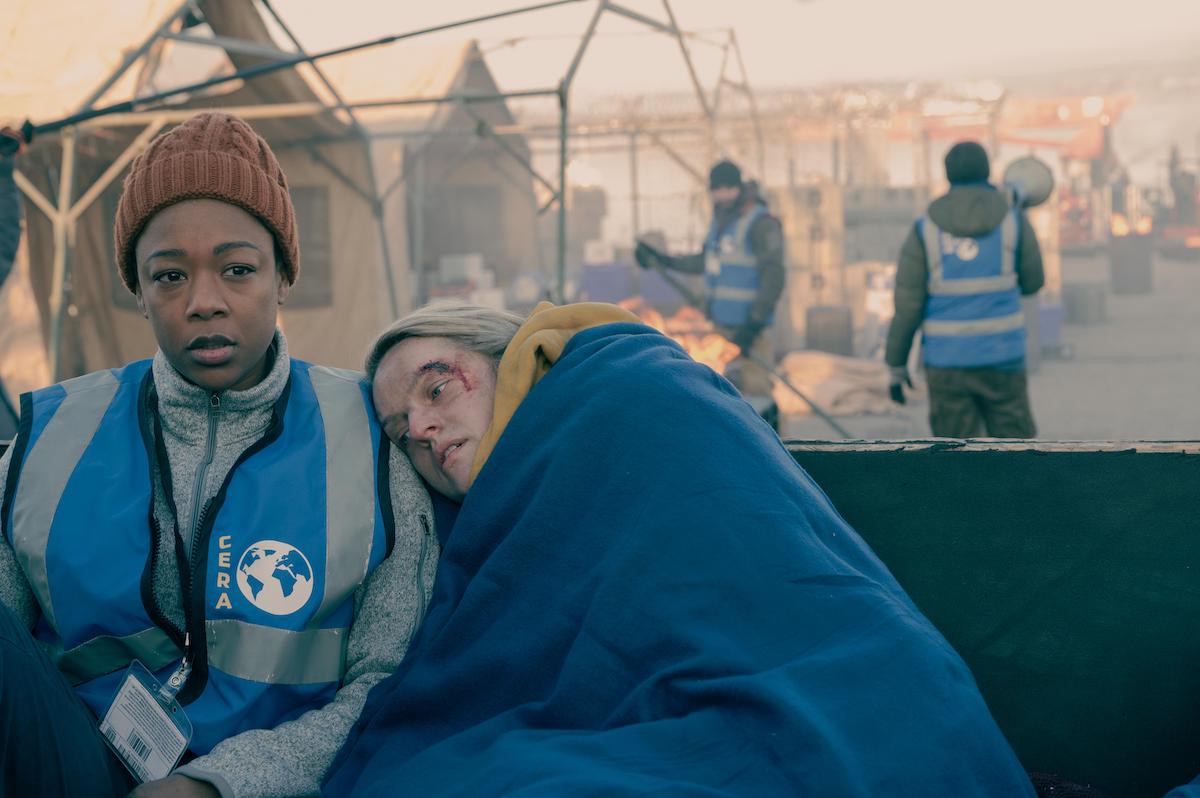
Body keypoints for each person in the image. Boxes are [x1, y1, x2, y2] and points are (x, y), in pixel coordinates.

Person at [320, 299, 1037, 797]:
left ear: (503, 356)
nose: (421, 427)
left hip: (855, 683)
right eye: (398, 428)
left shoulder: (625, 387)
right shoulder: (483, 518)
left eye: (437, 387)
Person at [0, 112, 437, 798]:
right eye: (169, 277)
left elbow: (386, 685)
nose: (205, 302)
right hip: (75, 766)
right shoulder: (52, 436)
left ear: (283, 274)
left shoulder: (372, 439)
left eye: (238, 269)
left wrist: (218, 784)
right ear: (137, 291)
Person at [886, 140, 1045, 438]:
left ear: (947, 175)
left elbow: (907, 306)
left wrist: (896, 365)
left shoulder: (925, 228)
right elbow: (1033, 282)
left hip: (947, 364)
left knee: (957, 461)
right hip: (1002, 358)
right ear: (987, 171)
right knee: (1018, 459)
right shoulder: (1013, 220)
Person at [634, 159, 784, 397]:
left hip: (751, 330)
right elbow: (704, 262)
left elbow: (774, 277)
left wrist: (754, 323)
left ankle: (772, 434)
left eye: (728, 188)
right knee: (726, 395)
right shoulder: (721, 222)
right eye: (717, 189)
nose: (722, 195)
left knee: (757, 393)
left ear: (738, 187)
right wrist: (664, 260)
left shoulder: (760, 223)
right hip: (722, 327)